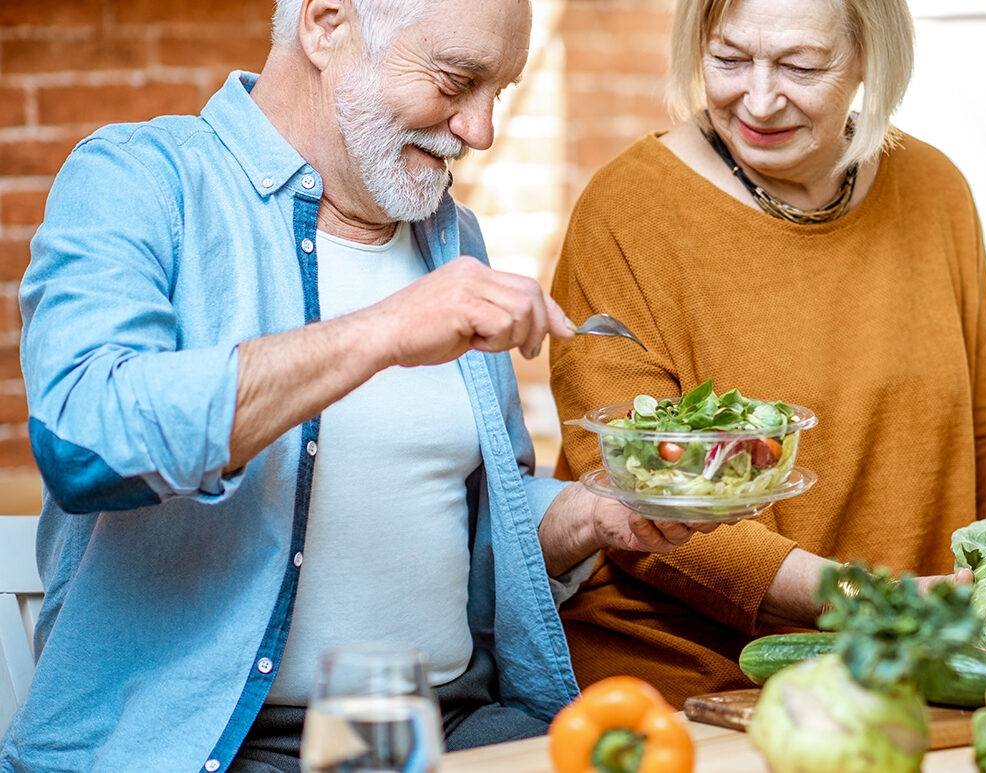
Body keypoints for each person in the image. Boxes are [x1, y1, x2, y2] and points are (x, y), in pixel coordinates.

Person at [1, 1, 713, 771]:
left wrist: (598, 513)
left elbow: (464, 528)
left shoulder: (452, 237)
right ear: (325, 23)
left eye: (499, 93)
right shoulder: (139, 178)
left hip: (452, 723)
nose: (480, 130)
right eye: (456, 81)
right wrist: (382, 330)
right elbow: (85, 442)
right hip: (216, 746)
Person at [548, 0, 986, 706]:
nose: (759, 100)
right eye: (729, 59)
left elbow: (978, 436)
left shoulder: (936, 191)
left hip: (908, 671)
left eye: (801, 67)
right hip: (697, 685)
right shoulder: (627, 210)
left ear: (870, 57)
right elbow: (635, 495)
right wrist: (864, 598)